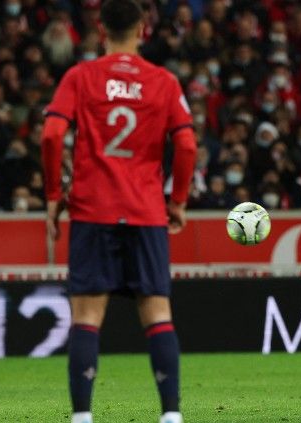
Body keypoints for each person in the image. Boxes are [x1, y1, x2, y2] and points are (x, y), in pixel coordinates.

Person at [41, 1, 197, 423]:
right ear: (143, 29)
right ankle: (170, 416)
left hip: (93, 209)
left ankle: (82, 417)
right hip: (146, 212)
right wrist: (177, 200)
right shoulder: (163, 81)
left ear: (99, 28)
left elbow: (52, 134)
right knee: (157, 314)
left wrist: (54, 194)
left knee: (87, 316)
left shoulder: (80, 77)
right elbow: (186, 145)